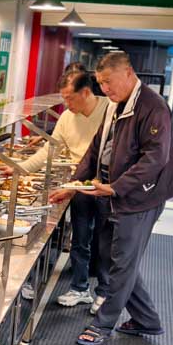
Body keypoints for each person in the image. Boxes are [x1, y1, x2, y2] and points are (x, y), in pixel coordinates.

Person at [51, 52, 173, 345]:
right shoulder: (113, 105)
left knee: (121, 261)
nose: (105, 90)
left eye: (108, 82)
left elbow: (155, 159)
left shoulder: (152, 106)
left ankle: (103, 324)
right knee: (117, 259)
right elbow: (96, 150)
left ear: (128, 73)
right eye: (101, 83)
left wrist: (117, 187)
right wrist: (74, 185)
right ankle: (147, 319)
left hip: (141, 197)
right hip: (112, 190)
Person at [18, 68, 110, 309]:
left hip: (105, 185)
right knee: (80, 238)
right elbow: (51, 150)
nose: (66, 103)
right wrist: (19, 169)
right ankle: (80, 288)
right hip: (78, 183)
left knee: (105, 241)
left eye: (69, 98)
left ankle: (104, 293)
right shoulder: (68, 118)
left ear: (87, 92)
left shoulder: (109, 111)